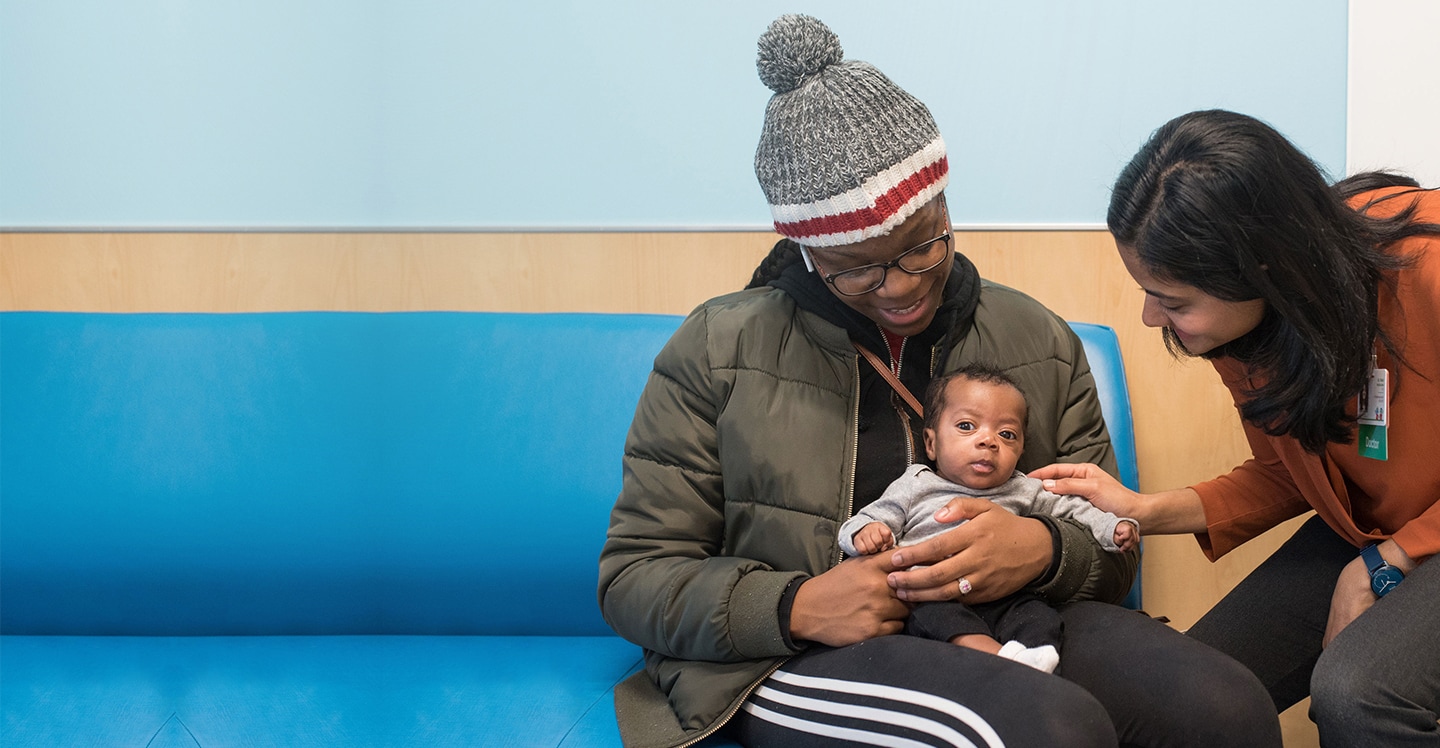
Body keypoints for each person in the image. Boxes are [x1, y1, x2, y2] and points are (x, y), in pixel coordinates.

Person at [600, 16, 1280, 748]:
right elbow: (634, 576)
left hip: (1012, 618)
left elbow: (1112, 555)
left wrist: (1044, 550)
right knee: (1048, 728)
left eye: (923, 243)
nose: (899, 287)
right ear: (806, 251)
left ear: (945, 203)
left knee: (1226, 706)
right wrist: (796, 604)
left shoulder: (1036, 339)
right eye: (858, 265)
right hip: (794, 654)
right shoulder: (718, 346)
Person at [1033, 108, 1440, 746]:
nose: (1148, 317)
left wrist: (1387, 563)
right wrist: (1142, 509)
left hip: (1412, 538)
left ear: (1262, 271)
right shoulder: (1248, 331)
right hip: (1373, 534)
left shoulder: (1425, 266)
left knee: (1358, 694)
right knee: (1193, 691)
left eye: (1172, 300)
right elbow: (1289, 473)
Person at [839, 365, 1138, 674]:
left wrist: (1111, 527)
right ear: (931, 443)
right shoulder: (916, 484)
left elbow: (1076, 510)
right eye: (967, 426)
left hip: (1005, 596)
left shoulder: (1023, 489)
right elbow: (869, 519)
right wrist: (868, 532)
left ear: (1020, 449)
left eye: (1006, 434)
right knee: (932, 617)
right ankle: (996, 658)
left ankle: (1038, 660)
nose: (988, 441)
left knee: (1039, 617)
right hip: (934, 596)